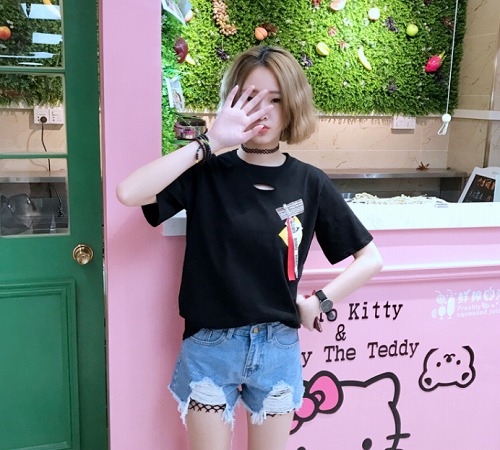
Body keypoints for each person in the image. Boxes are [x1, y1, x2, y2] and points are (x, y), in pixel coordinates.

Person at [116, 45, 383, 450]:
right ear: (232, 101)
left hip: (278, 348)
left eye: (276, 100)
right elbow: (129, 192)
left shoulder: (309, 182)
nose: (263, 111)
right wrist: (210, 141)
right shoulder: (206, 172)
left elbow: (370, 258)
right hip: (209, 347)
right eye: (251, 98)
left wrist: (319, 301)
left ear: (292, 106)